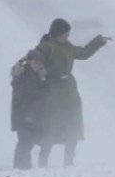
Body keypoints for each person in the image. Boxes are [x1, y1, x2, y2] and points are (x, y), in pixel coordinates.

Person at [37, 18, 108, 167]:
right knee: (51, 123)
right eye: (65, 33)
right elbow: (36, 63)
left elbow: (84, 53)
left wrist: (98, 41)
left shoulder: (68, 47)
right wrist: (42, 75)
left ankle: (69, 160)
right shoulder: (46, 47)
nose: (68, 36)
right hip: (52, 89)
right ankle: (43, 160)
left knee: (72, 122)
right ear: (58, 33)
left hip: (68, 89)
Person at [10, 49, 48, 169]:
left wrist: (42, 80)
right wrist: (28, 114)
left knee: (28, 142)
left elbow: (40, 93)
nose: (38, 65)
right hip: (23, 115)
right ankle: (19, 168)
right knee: (25, 142)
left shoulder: (34, 74)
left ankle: (24, 168)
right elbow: (26, 95)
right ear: (29, 62)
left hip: (31, 115)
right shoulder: (23, 75)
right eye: (36, 62)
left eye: (40, 63)